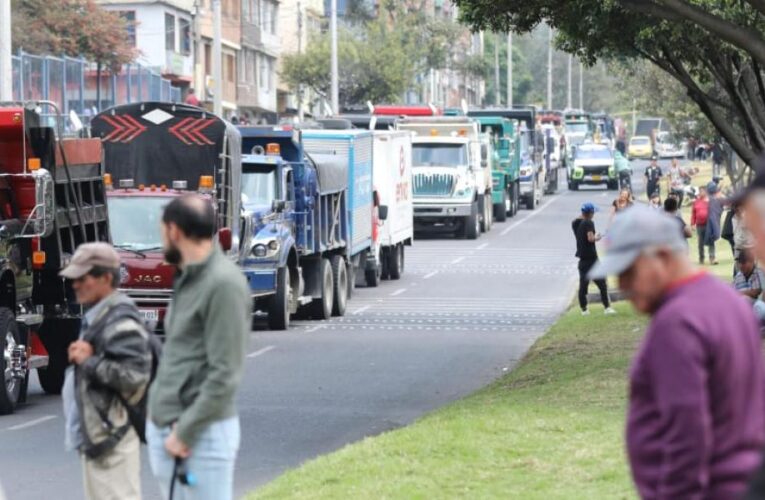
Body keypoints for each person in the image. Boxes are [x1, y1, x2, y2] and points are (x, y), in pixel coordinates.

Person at [588, 206, 765, 499]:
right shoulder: (727, 301)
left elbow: (687, 435)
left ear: (662, 255)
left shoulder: (677, 323)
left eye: (629, 271)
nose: (623, 286)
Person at [147, 195, 250, 500]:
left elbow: (225, 374)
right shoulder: (188, 278)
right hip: (172, 428)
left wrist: (185, 432)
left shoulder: (223, 284)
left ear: (174, 231)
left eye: (161, 231)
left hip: (200, 435)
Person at [60, 243, 152, 500]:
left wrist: (89, 362)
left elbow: (135, 377)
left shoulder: (119, 321)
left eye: (82, 278)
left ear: (106, 278)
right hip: (101, 443)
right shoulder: (99, 316)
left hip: (113, 443)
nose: (75, 284)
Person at [572, 202, 615, 316]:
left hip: (582, 261)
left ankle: (584, 309)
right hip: (592, 259)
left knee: (583, 286)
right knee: (602, 284)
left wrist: (583, 213)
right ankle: (607, 308)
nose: (594, 214)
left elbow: (575, 220)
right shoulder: (589, 223)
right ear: (590, 213)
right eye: (593, 212)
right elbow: (590, 238)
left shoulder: (577, 224)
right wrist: (598, 237)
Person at [733, 250, 765, 323]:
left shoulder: (759, 272)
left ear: (752, 262)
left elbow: (756, 292)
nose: (741, 265)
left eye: (744, 262)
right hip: (742, 308)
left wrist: (739, 293)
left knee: (748, 301)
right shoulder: (738, 276)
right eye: (739, 262)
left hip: (759, 304)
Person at [691, 186, 714, 264]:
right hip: (699, 225)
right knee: (700, 243)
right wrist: (692, 224)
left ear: (706, 192)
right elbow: (693, 213)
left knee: (711, 241)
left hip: (709, 225)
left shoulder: (710, 201)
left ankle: (712, 258)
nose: (701, 193)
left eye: (702, 191)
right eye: (700, 191)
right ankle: (701, 258)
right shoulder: (696, 202)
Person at [705, 181, 725, 265]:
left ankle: (712, 257)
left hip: (714, 220)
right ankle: (711, 257)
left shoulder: (716, 198)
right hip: (708, 222)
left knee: (712, 239)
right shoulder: (708, 199)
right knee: (711, 239)